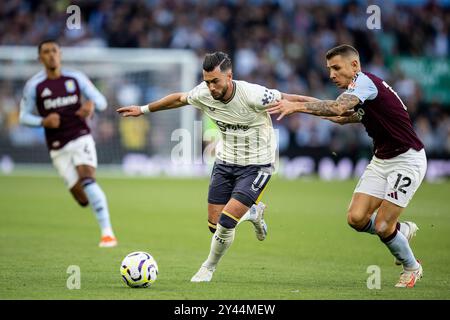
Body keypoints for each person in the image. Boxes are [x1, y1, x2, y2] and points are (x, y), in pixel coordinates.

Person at [117, 51, 311, 282]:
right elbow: (179, 98)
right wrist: (143, 109)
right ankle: (252, 212)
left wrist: (334, 109)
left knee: (227, 222)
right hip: (225, 161)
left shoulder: (254, 94)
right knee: (215, 226)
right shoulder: (203, 93)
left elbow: (294, 99)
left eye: (215, 81)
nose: (210, 87)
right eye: (207, 81)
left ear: (230, 77)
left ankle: (208, 268)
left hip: (258, 164)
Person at [268, 44, 427, 288]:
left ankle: (412, 267)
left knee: (384, 225)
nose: (331, 74)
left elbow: (337, 108)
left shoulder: (365, 83)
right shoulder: (359, 90)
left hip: (407, 160)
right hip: (382, 159)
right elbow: (339, 116)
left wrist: (297, 107)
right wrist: (292, 98)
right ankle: (400, 232)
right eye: (329, 69)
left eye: (336, 68)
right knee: (356, 218)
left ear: (354, 65)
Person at [19, 39, 117, 248]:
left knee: (88, 179)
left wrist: (91, 106)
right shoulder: (34, 86)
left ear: (60, 54)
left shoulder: (76, 78)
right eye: (46, 52)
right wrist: (42, 121)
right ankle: (96, 212)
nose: (51, 55)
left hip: (80, 135)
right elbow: (23, 117)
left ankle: (107, 233)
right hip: (57, 147)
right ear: (40, 58)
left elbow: (101, 102)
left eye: (54, 51)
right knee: (82, 199)